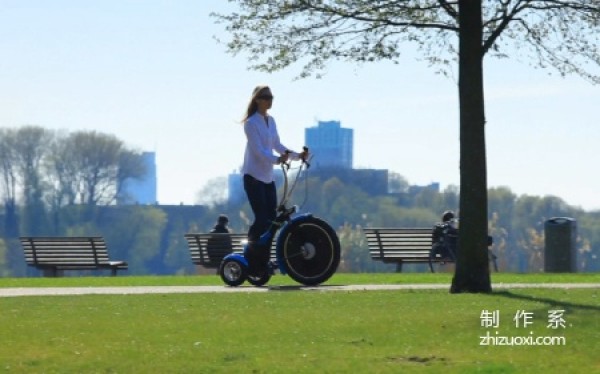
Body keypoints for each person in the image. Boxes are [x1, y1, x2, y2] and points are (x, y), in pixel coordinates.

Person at [241, 85, 308, 272]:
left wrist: (296, 156)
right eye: (266, 97)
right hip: (253, 176)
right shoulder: (251, 123)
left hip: (267, 177)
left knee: (272, 221)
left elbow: (277, 145)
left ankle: (263, 260)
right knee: (261, 218)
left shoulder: (271, 121)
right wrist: (277, 160)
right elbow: (259, 151)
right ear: (257, 100)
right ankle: (250, 256)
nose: (270, 100)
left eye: (271, 97)